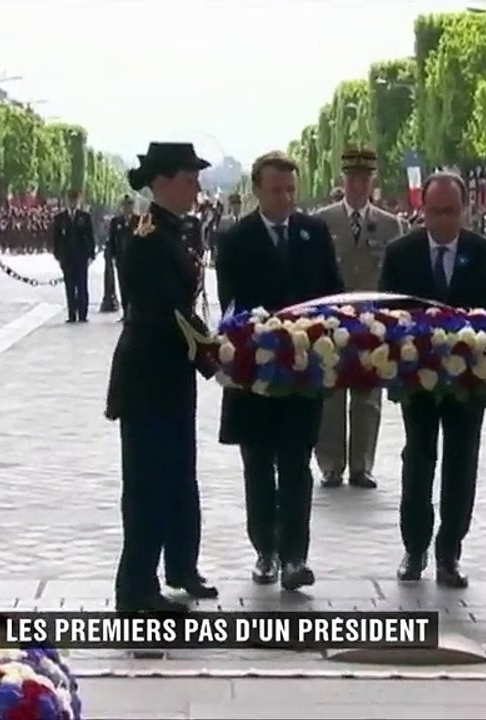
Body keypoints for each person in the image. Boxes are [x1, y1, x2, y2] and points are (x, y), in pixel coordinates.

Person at [215, 151, 343, 590]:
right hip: (255, 375)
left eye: (291, 189)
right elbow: (232, 303)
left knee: (295, 465)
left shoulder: (314, 232)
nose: (285, 197)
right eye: (276, 190)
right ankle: (264, 549)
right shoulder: (234, 239)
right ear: (257, 191)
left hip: (303, 374)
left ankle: (295, 557)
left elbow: (334, 293)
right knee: (257, 466)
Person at [378, 172, 486, 588]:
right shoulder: (401, 252)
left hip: (468, 381)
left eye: (451, 211)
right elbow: (385, 315)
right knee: (417, 458)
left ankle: (449, 550)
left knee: (461, 462)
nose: (443, 221)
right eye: (435, 212)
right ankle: (414, 547)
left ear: (464, 210)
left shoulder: (485, 253)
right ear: (424, 211)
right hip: (417, 380)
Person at [105, 142, 219, 613]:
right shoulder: (149, 237)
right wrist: (213, 355)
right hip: (148, 372)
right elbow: (167, 311)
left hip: (172, 373)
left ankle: (180, 564)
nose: (196, 187)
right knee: (148, 481)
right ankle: (135, 587)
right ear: (164, 182)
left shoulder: (180, 230)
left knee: (179, 474)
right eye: (189, 178)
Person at [313, 148, 406, 490]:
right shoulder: (322, 222)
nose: (357, 185)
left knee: (368, 397)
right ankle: (331, 465)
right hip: (330, 322)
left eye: (364, 179)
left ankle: (361, 466)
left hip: (372, 323)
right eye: (351, 178)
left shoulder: (392, 225)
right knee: (330, 395)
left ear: (372, 182)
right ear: (343, 180)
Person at [52, 190, 96, 323]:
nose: (72, 203)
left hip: (81, 257)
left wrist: (91, 254)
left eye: (75, 200)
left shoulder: (85, 217)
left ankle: (82, 314)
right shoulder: (60, 218)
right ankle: (71, 314)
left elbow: (90, 237)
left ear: (78, 201)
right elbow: (56, 239)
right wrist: (58, 255)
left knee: (82, 286)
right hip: (67, 258)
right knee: (69, 287)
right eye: (70, 200)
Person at [106, 195, 138, 321]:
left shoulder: (138, 220)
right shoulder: (116, 222)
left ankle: (134, 313)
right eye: (124, 206)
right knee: (123, 287)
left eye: (129, 205)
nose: (126, 208)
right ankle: (126, 313)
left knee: (135, 288)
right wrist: (112, 256)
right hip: (121, 259)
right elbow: (112, 240)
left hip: (135, 261)